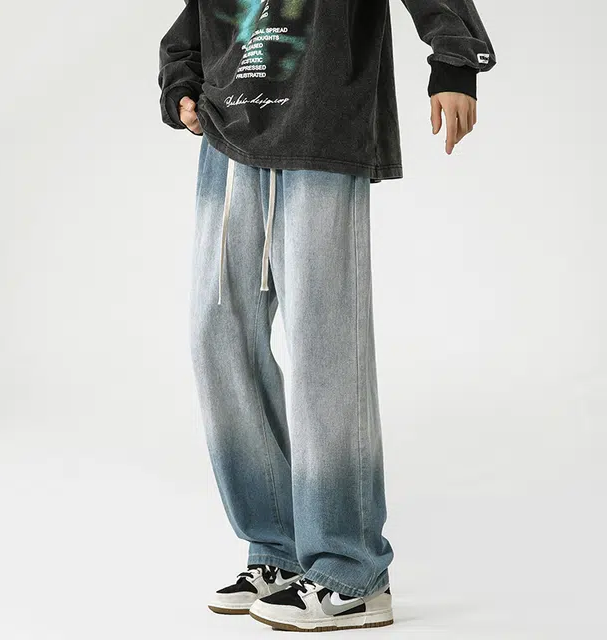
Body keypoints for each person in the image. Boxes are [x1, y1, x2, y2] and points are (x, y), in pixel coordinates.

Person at [158, 0, 495, 632]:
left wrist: (454, 63)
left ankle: (351, 570)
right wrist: (182, 80)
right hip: (229, 134)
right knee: (216, 336)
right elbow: (198, 17)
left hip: (322, 126)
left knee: (324, 345)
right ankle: (277, 548)